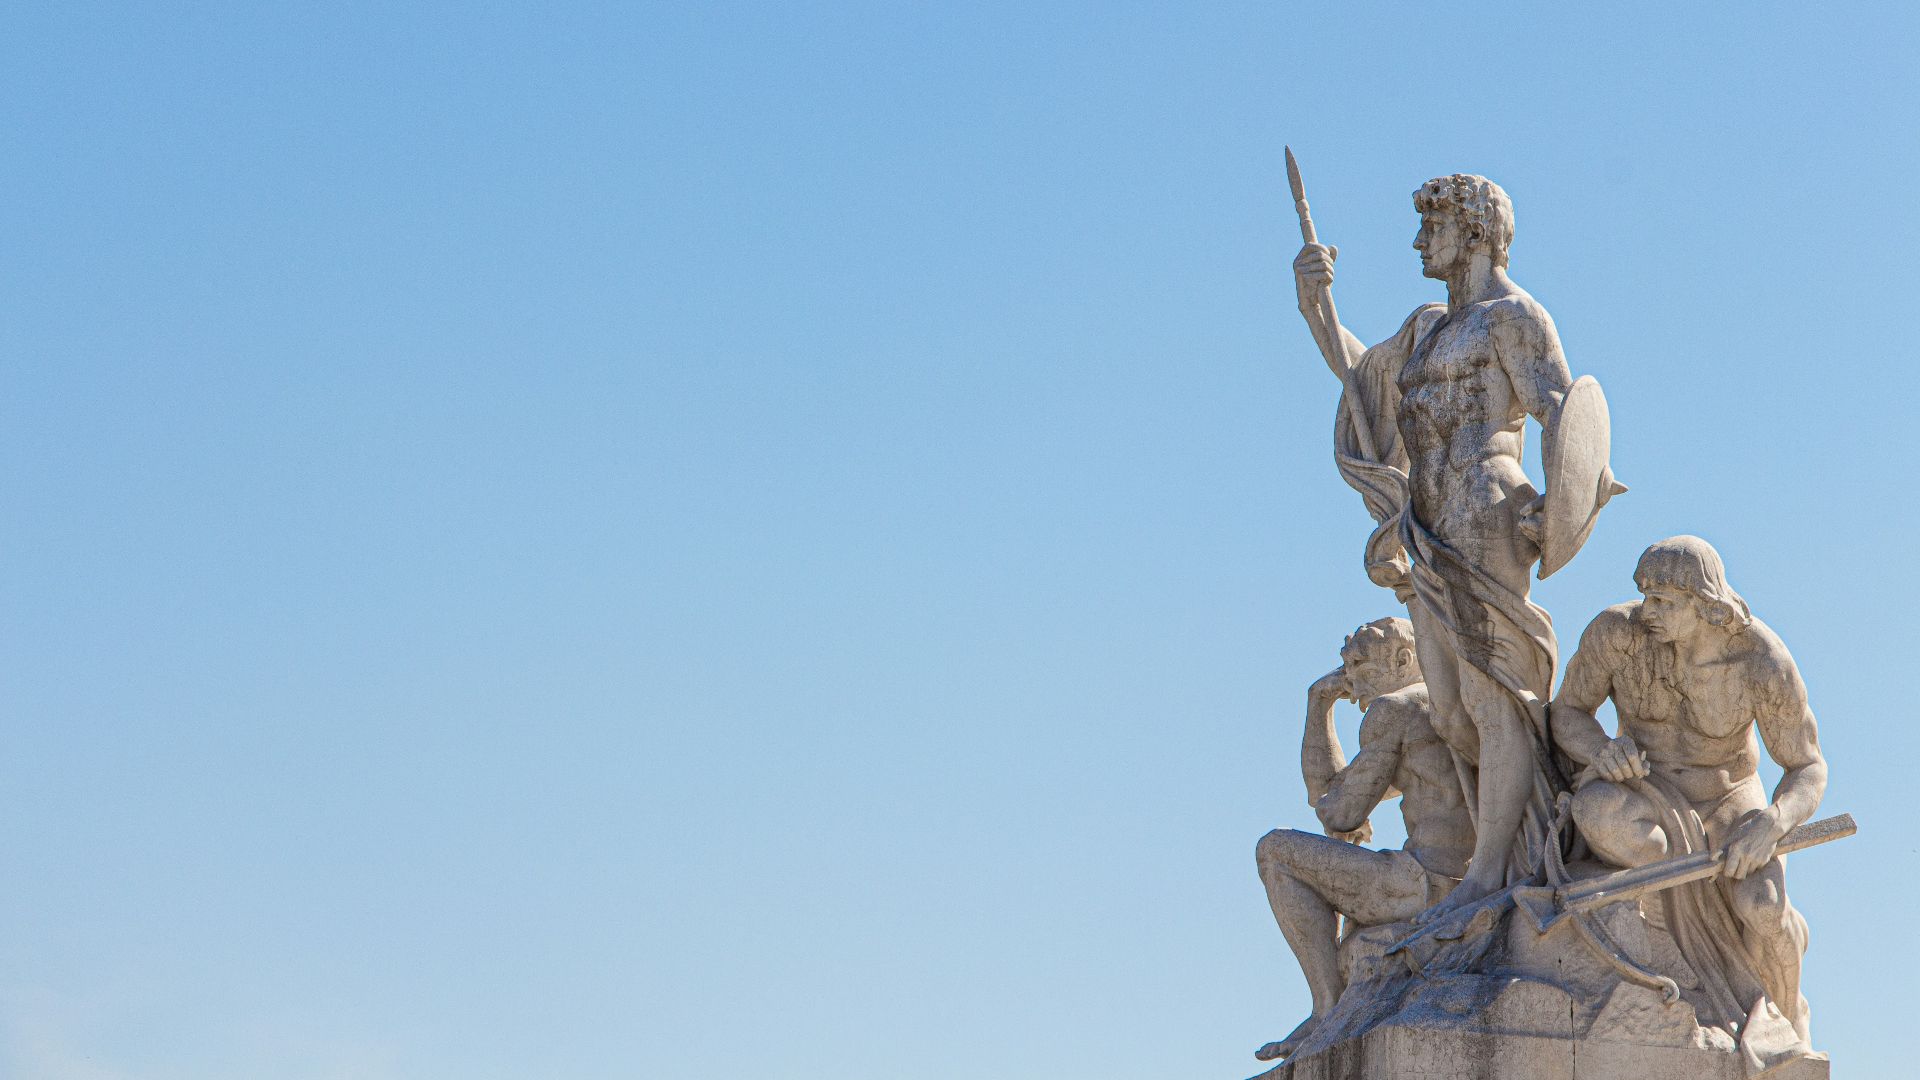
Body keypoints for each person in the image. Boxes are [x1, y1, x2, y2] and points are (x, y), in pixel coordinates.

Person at [1293, 174, 1601, 920]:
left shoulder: (1515, 318)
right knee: (1453, 714)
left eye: (1430, 227)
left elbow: (1566, 415)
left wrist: (1557, 514)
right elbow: (1364, 379)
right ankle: (1499, 853)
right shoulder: (1428, 326)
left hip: (1488, 514)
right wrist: (1316, 305)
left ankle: (1491, 873)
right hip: (1429, 526)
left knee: (1495, 700)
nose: (1417, 243)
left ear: (1474, 232)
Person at [1549, 536, 1826, 1047]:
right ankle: (1682, 974)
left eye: (1664, 602)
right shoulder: (1617, 635)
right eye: (1645, 596)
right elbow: (1567, 712)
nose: (1647, 611)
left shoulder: (1760, 660)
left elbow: (1807, 767)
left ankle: (1788, 1014)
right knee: (1604, 818)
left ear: (1704, 604)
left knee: (1763, 908)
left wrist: (1773, 822)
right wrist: (1601, 750)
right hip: (1643, 793)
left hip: (1729, 801)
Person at [1253, 617, 1472, 1061]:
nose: (1350, 679)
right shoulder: (1445, 705)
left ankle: (1325, 1008)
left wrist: (1317, 706)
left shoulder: (1394, 710)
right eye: (1346, 665)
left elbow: (1338, 811)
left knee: (1275, 851)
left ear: (1403, 659)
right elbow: (1333, 799)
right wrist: (1321, 701)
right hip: (1463, 878)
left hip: (1425, 883)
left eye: (1360, 664)